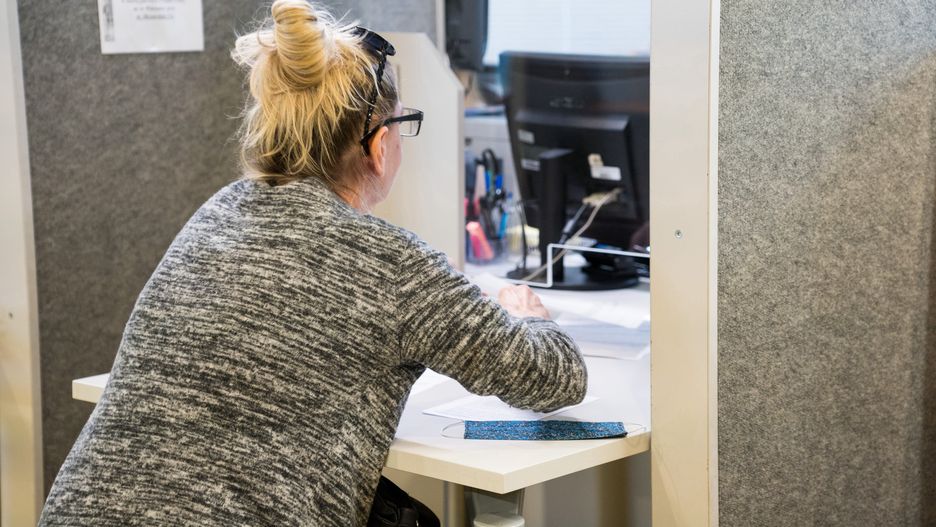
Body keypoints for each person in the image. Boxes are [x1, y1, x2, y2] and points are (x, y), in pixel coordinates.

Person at [38, 1, 587, 525]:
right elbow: (554, 377)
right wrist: (528, 317)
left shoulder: (218, 213)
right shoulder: (392, 264)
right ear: (378, 146)